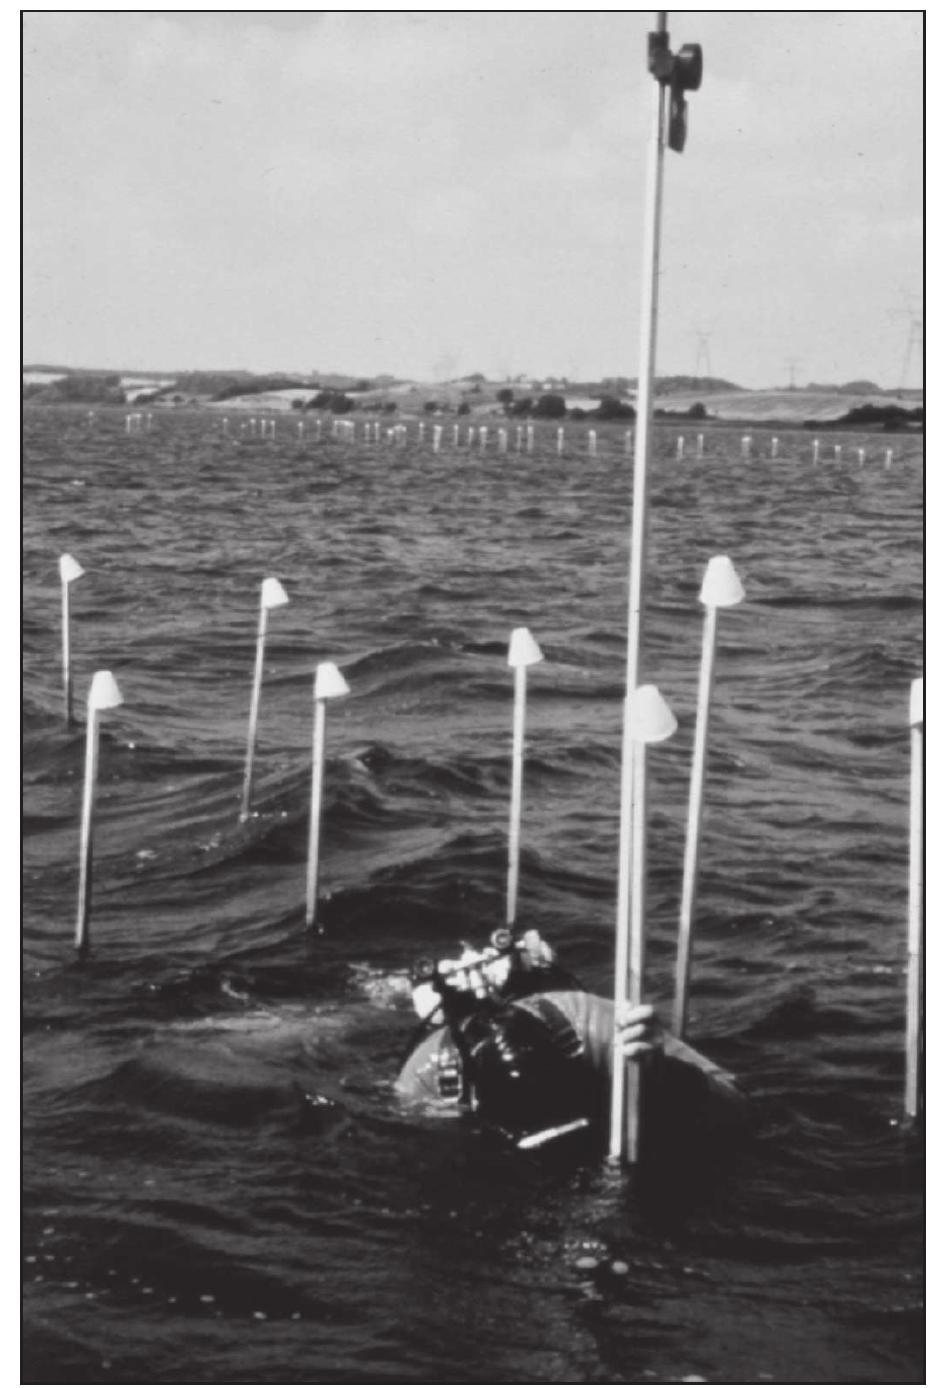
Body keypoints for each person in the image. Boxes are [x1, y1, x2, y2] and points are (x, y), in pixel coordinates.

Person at [395, 929, 742, 1151]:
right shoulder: (424, 1079)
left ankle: (526, 967)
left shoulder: (599, 1027)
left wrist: (662, 1073)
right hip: (465, 1082)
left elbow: (737, 1103)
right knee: (429, 1007)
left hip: (580, 1064)